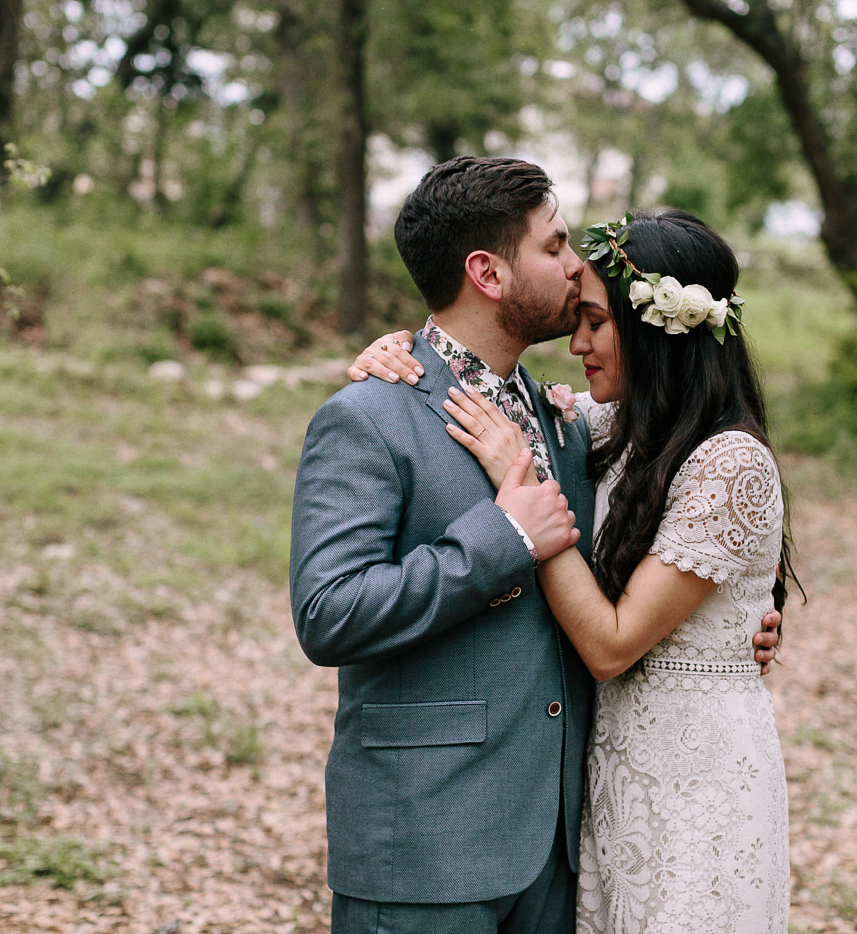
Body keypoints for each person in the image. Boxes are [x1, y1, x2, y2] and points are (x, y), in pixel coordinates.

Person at [290, 157, 779, 934]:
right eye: (554, 247)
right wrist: (505, 537)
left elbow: (678, 518)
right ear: (486, 272)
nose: (576, 265)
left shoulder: (568, 420)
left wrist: (731, 627)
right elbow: (328, 614)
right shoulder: (371, 418)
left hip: (565, 850)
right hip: (427, 847)